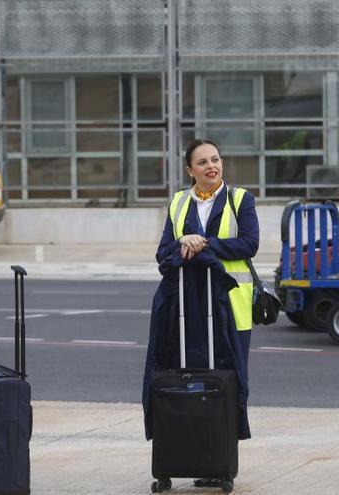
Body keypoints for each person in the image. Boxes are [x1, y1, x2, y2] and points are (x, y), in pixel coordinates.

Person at [142, 139, 259, 482]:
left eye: (216, 159)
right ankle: (189, 455)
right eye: (203, 161)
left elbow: (249, 243)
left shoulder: (240, 199)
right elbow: (164, 251)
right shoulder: (179, 202)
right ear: (190, 169)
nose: (212, 166)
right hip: (185, 311)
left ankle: (219, 458)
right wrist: (182, 241)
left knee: (229, 380)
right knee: (187, 380)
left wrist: (202, 242)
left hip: (230, 308)